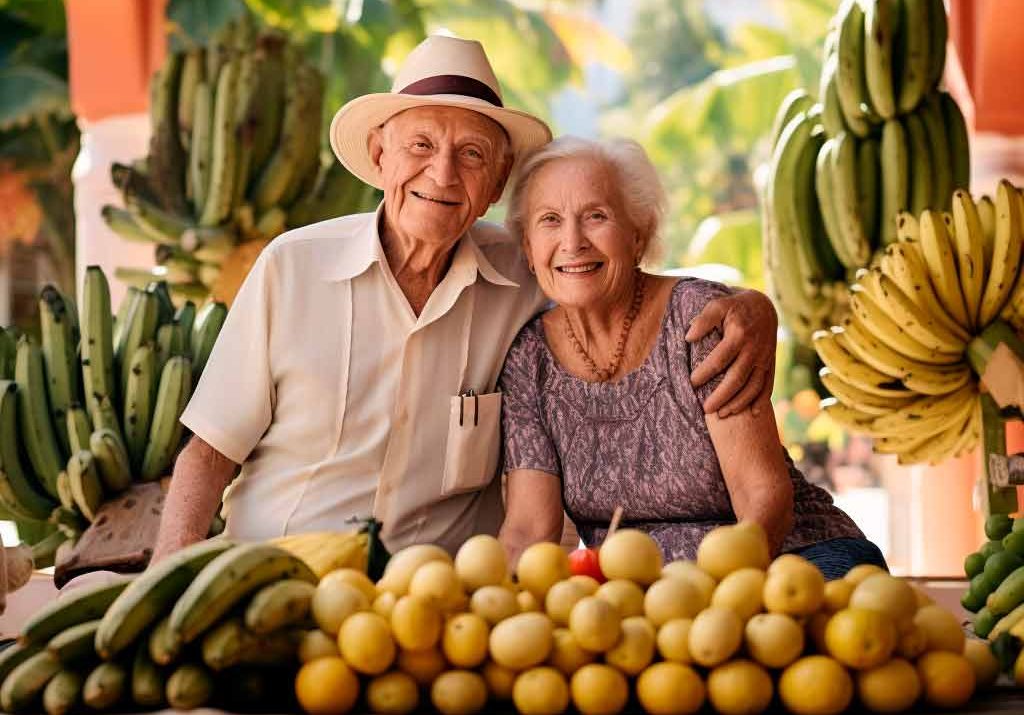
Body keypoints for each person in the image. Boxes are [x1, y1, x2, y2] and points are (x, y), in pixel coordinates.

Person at [151, 36, 778, 561]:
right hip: (273, 573)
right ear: (380, 155)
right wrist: (167, 575)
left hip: (436, 602)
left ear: (498, 180)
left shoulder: (531, 270)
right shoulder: (292, 267)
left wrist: (755, 309)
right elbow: (208, 454)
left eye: (471, 154)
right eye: (421, 146)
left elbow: (621, 273)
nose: (443, 174)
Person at [496, 136, 886, 579]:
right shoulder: (529, 360)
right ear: (528, 248)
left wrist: (716, 595)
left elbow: (761, 497)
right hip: (643, 587)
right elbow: (529, 529)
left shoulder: (699, 318)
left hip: (787, 557)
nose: (572, 241)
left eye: (596, 216)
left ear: (637, 235)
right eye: (550, 220)